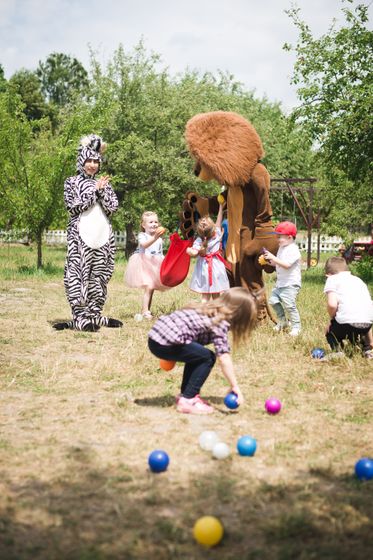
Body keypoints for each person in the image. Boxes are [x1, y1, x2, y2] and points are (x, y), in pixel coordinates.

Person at [148, 287, 258, 414]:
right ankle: (188, 400)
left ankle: (186, 395)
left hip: (156, 338)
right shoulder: (220, 322)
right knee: (208, 357)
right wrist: (234, 386)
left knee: (198, 355)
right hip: (165, 343)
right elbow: (224, 358)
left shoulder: (208, 309)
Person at [54, 134, 122, 332]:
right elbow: (73, 207)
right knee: (78, 274)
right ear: (81, 161)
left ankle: (94, 313)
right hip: (80, 238)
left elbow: (112, 208)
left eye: (95, 161)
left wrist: (101, 191)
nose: (92, 165)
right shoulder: (71, 182)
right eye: (89, 161)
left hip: (102, 237)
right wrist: (94, 192)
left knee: (99, 275)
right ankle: (79, 316)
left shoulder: (104, 183)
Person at [322, 256, 373, 359]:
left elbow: (332, 304)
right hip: (367, 323)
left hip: (347, 324)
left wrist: (332, 320)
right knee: (358, 322)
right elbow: (366, 308)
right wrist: (371, 341)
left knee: (331, 332)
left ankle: (337, 351)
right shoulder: (358, 280)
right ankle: (367, 350)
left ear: (328, 274)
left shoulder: (332, 279)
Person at [125, 211, 167, 319]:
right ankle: (144, 311)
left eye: (156, 222)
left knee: (151, 288)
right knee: (149, 286)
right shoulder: (142, 235)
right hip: (144, 264)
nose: (154, 224)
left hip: (155, 265)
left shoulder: (159, 239)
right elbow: (144, 245)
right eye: (150, 222)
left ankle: (147, 308)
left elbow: (160, 253)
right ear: (144, 225)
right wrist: (155, 237)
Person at [263, 221, 302, 336]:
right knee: (273, 301)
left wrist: (273, 257)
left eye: (279, 237)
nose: (277, 239)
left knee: (289, 305)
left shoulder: (293, 249)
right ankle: (283, 321)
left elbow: (287, 265)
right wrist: (269, 261)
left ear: (289, 237)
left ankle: (296, 327)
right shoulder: (282, 247)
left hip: (290, 284)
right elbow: (278, 264)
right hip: (281, 283)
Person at [186, 202, 230, 302]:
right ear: (213, 227)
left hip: (204, 268)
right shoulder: (217, 234)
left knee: (205, 296)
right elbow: (219, 220)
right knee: (216, 294)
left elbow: (195, 253)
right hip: (217, 267)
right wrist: (220, 207)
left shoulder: (199, 240)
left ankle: (203, 314)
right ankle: (215, 313)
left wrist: (189, 250)